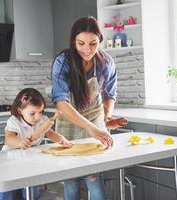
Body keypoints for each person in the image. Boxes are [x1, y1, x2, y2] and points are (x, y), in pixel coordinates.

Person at [52, 16, 127, 200]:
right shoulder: (63, 62)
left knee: (94, 176)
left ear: (100, 40)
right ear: (73, 41)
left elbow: (110, 95)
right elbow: (61, 102)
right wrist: (91, 128)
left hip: (95, 119)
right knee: (71, 178)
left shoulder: (106, 63)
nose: (87, 49)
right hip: (69, 120)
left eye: (93, 43)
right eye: (81, 43)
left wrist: (107, 117)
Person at [0, 88, 71, 200]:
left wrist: (60, 139)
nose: (38, 117)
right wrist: (19, 142)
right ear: (20, 110)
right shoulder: (14, 121)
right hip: (11, 161)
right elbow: (9, 138)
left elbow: (50, 133)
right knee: (9, 193)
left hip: (30, 161)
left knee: (31, 193)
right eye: (32, 113)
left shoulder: (43, 120)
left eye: (41, 112)